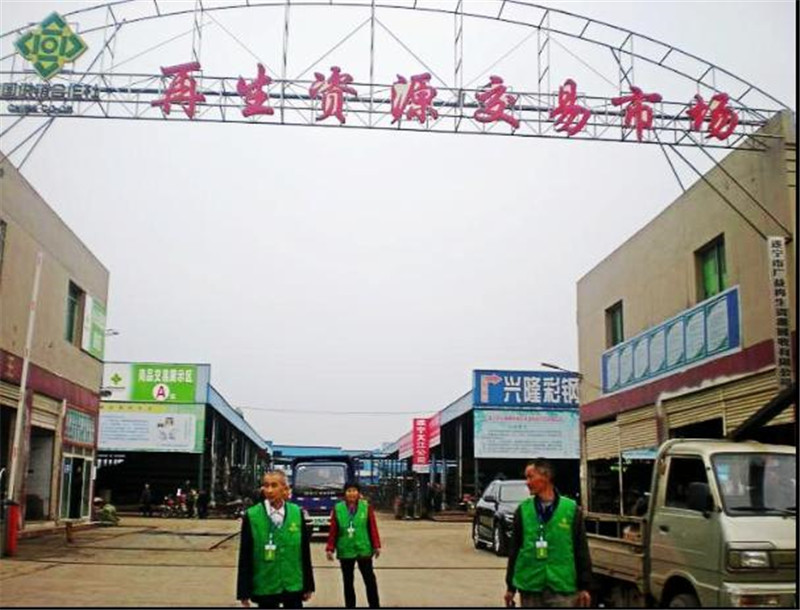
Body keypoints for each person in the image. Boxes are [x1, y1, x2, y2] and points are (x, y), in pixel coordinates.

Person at [504, 459, 592, 608]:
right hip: (531, 585)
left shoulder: (571, 510)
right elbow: (515, 550)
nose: (527, 482)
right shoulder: (523, 510)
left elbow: (581, 549)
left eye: (530, 477)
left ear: (546, 476)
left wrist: (584, 586)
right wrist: (510, 587)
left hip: (562, 586)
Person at [236, 471, 315, 608]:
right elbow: (245, 556)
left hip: (292, 583)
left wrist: (308, 585)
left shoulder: (296, 512)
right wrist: (244, 591)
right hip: (266, 584)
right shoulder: (252, 515)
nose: (269, 490)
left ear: (284, 488)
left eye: (274, 485)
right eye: (266, 486)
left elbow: (304, 552)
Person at [325, 481, 382, 608]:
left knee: (370, 581)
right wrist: (330, 548)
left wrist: (376, 545)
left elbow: (372, 527)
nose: (352, 493)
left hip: (363, 549)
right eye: (349, 491)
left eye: (354, 491)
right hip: (345, 549)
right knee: (348, 582)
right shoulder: (338, 508)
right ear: (345, 493)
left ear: (358, 493)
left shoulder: (366, 507)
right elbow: (333, 530)